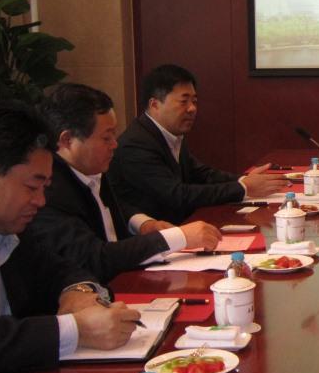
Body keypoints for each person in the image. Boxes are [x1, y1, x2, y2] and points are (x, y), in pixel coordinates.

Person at [0, 102, 139, 373]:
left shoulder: (8, 223)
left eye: (44, 188)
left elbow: (59, 269)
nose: (40, 201)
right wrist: (76, 330)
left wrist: (77, 292)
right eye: (31, 187)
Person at [26, 83, 222, 283]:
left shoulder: (90, 167)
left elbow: (111, 208)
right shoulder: (47, 190)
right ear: (67, 140)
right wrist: (177, 237)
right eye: (106, 138)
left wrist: (143, 224)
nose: (115, 144)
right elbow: (96, 257)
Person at [109, 64, 286, 224]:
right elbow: (177, 195)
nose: (192, 108)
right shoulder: (136, 145)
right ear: (154, 104)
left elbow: (202, 174)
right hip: (155, 237)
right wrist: (243, 188)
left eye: (194, 101)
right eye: (183, 101)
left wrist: (243, 180)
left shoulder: (170, 134)